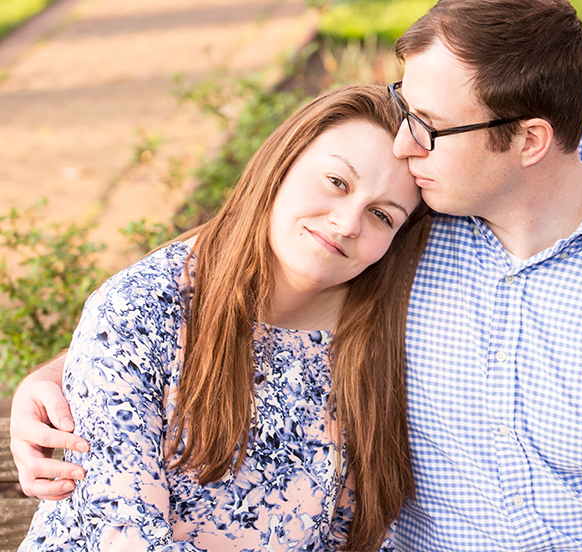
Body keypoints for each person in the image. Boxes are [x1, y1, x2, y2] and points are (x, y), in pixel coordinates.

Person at [11, 0, 582, 551]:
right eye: (406, 107)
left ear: (529, 141)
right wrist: (55, 379)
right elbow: (189, 294)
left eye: (428, 126)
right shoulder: (417, 219)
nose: (404, 147)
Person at [14, 84, 431, 552]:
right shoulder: (141, 308)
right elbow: (126, 536)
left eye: (382, 215)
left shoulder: (375, 344)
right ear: (283, 163)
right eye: (337, 182)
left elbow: (353, 534)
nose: (348, 222)